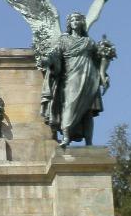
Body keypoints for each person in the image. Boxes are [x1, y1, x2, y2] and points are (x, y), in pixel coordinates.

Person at [44, 13, 114, 146]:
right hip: (71, 77)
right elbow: (56, 56)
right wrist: (49, 60)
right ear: (69, 24)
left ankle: (89, 142)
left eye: (78, 19)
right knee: (68, 106)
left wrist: (103, 72)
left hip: (90, 77)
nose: (75, 22)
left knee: (88, 111)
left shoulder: (89, 42)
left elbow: (99, 59)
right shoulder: (63, 41)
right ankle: (66, 136)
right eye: (73, 20)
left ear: (82, 23)